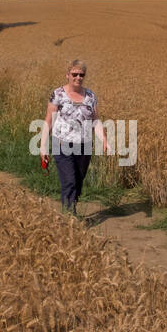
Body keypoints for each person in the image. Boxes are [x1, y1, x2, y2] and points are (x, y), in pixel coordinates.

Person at [42, 59, 109, 216]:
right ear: (67, 75)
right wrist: (43, 146)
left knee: (78, 181)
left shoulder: (90, 96)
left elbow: (95, 120)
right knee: (69, 181)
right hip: (61, 143)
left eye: (81, 75)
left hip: (84, 145)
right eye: (75, 74)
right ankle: (69, 216)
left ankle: (71, 207)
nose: (78, 77)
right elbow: (48, 120)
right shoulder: (58, 94)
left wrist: (103, 139)